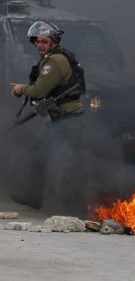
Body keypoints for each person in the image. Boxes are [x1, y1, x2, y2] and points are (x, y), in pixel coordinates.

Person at [10, 21, 86, 211]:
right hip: (66, 118)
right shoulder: (61, 56)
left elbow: (40, 90)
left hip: (67, 119)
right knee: (45, 154)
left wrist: (22, 89)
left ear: (53, 42)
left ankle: (76, 204)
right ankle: (38, 198)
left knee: (61, 159)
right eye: (37, 42)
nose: (40, 45)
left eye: (44, 41)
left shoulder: (55, 60)